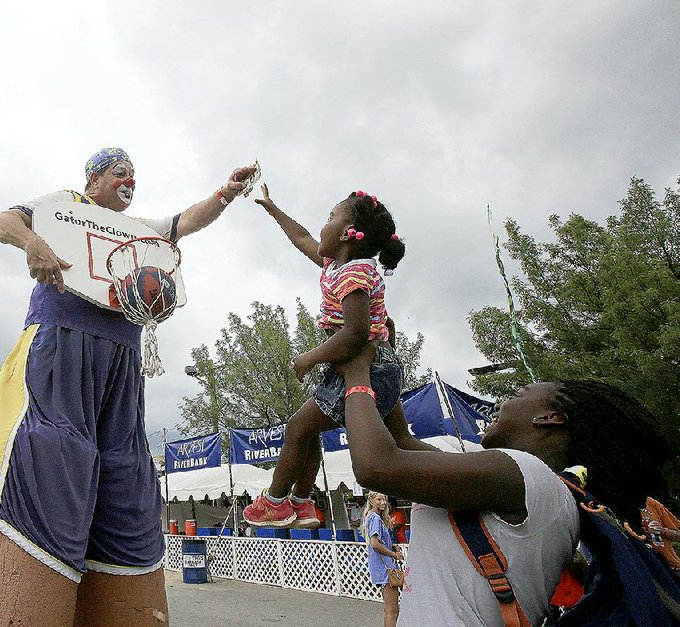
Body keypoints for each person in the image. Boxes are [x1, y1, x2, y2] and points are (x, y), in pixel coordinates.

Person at [0, 148, 255, 627]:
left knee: (127, 481)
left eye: (134, 173)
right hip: (61, 351)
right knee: (42, 452)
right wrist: (31, 243)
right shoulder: (65, 205)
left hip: (122, 371)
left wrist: (226, 194)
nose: (130, 180)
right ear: (94, 177)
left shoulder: (138, 233)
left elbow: (185, 221)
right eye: (119, 171)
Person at [335, 343, 668, 626]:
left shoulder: (525, 474)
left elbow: (375, 466)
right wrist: (384, 358)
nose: (499, 404)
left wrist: (356, 372)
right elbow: (399, 441)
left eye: (517, 395)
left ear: (549, 418)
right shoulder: (532, 487)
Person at [243, 185, 407, 528]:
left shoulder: (353, 273)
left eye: (330, 217)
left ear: (349, 234)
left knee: (298, 427)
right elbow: (302, 237)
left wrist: (309, 358)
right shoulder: (336, 265)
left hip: (365, 368)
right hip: (372, 364)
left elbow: (355, 333)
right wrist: (274, 210)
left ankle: (275, 501)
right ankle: (301, 504)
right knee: (400, 441)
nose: (323, 224)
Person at [361, 491, 404, 627]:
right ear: (372, 500)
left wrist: (391, 546)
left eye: (384, 499)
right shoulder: (375, 518)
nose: (383, 502)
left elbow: (376, 542)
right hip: (386, 568)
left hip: (381, 567)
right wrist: (393, 554)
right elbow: (375, 544)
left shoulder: (370, 517)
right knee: (393, 611)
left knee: (389, 610)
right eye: (379, 499)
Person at [642, 496, 680, 575]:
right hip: (645, 563)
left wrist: (664, 531)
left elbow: (677, 532)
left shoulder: (651, 503)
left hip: (673, 567)